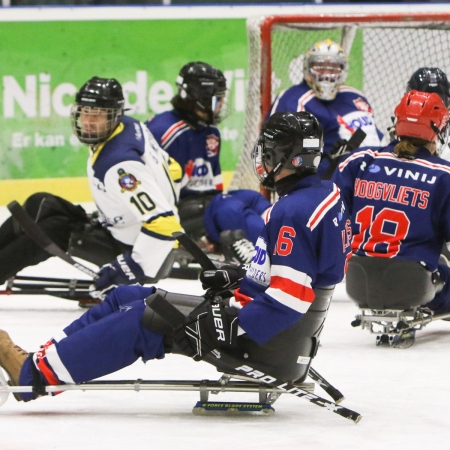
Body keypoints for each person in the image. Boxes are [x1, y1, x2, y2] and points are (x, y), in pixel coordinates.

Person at [0, 111, 351, 402]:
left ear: (283, 157)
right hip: (280, 334)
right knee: (127, 294)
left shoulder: (292, 211)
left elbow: (290, 297)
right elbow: (303, 274)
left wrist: (228, 328)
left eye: (269, 151)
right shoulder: (323, 193)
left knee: (144, 317)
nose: (262, 158)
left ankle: (32, 376)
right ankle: (40, 360)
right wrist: (241, 277)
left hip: (263, 343)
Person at [0, 77, 183, 302]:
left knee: (51, 230)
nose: (88, 121)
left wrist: (130, 268)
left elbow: (165, 226)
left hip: (139, 251)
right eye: (84, 113)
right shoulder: (130, 126)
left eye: (96, 115)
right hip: (120, 229)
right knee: (40, 202)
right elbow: (174, 169)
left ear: (114, 115)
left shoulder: (119, 165)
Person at [332, 90, 450, 316]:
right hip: (413, 284)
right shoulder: (444, 175)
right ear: (436, 130)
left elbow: (331, 221)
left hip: (357, 281)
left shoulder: (359, 161)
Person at [146, 62, 271, 264]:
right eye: (217, 98)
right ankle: (275, 249)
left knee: (251, 198)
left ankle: (287, 234)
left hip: (207, 206)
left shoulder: (210, 131)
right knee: (231, 210)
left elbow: (214, 184)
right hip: (180, 212)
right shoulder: (164, 131)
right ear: (200, 99)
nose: (221, 103)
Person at [268, 39, 384, 178]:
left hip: (372, 177)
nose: (327, 74)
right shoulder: (294, 100)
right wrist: (329, 165)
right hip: (325, 185)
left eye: (333, 68)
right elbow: (276, 155)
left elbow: (375, 137)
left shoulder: (355, 97)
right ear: (307, 67)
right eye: (320, 67)